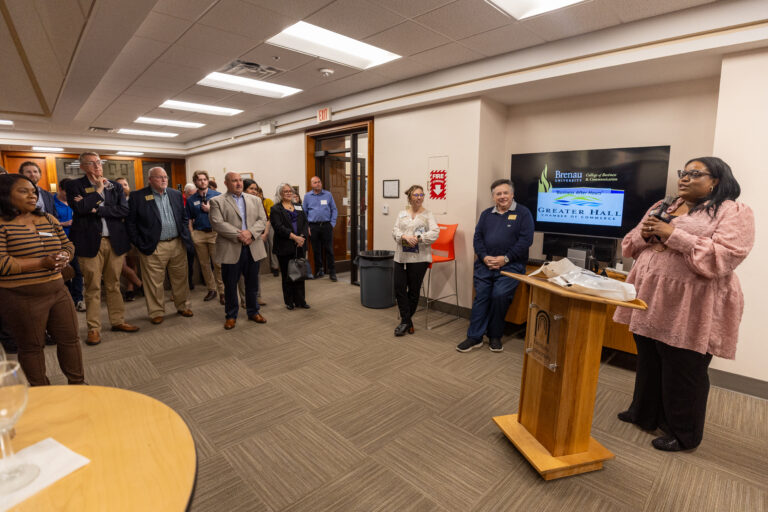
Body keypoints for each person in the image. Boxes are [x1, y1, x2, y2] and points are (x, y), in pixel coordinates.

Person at [613, 157, 754, 452]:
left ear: (715, 180)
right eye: (683, 173)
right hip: (649, 296)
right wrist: (645, 234)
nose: (685, 178)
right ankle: (644, 413)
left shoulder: (733, 211)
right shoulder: (661, 206)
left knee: (683, 368)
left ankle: (683, 433)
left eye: (695, 173)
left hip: (693, 305)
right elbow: (628, 244)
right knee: (649, 359)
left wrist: (673, 235)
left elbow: (726, 256)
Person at [0, 174, 85, 385]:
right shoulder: (2, 225)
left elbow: (68, 245)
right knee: (31, 346)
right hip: (21, 296)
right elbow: (2, 263)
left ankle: (78, 385)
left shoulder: (48, 218)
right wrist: (41, 263)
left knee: (70, 340)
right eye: (23, 191)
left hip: (58, 291)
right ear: (4, 195)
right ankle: (42, 393)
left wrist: (65, 256)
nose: (32, 195)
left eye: (34, 192)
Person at [65, 152, 138, 345]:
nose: (97, 166)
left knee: (114, 284)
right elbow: (80, 210)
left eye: (99, 162)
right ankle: (93, 328)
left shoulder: (114, 186)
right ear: (82, 167)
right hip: (89, 243)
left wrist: (96, 209)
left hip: (114, 241)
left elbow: (124, 210)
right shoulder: (74, 185)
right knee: (93, 286)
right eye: (92, 163)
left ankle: (118, 321)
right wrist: (98, 191)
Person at [456, 179, 534, 353]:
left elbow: (526, 241)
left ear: (512, 194)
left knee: (499, 295)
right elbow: (478, 238)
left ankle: (494, 335)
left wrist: (505, 259)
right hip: (486, 264)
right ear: (493, 197)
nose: (502, 196)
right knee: (481, 296)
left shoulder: (523, 213)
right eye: (498, 194)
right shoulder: (486, 214)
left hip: (511, 266)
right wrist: (484, 258)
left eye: (505, 193)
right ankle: (474, 337)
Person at [126, 167, 194, 324]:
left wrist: (185, 234)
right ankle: (156, 311)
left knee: (180, 279)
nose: (164, 180)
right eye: (159, 177)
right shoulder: (138, 196)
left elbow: (183, 217)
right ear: (150, 180)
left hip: (177, 243)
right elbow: (130, 223)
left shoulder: (175, 194)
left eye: (165, 177)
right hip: (154, 245)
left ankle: (183, 306)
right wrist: (139, 243)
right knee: (154, 282)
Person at [209, 172, 267, 330]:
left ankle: (253, 311)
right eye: (234, 181)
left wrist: (251, 233)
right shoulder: (216, 201)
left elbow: (262, 220)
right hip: (231, 248)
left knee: (252, 283)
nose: (238, 183)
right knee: (230, 284)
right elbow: (217, 223)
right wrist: (241, 235)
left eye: (240, 180)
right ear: (226, 183)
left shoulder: (255, 199)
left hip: (252, 247)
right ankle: (231, 316)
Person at [392, 185, 440, 336]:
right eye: (416, 195)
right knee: (399, 288)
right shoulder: (402, 214)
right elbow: (395, 231)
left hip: (420, 258)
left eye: (421, 195)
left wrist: (418, 238)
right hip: (401, 257)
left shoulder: (428, 215)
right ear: (410, 197)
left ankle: (404, 322)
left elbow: (435, 233)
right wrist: (404, 237)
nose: (419, 197)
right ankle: (407, 321)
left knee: (413, 291)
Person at [271, 183, 311, 310]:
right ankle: (289, 301)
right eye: (285, 191)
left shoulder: (299, 206)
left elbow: (305, 223)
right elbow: (278, 227)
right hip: (285, 245)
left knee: (300, 273)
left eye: (290, 191)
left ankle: (301, 300)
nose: (288, 193)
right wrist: (295, 237)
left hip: (299, 245)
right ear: (280, 193)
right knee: (287, 275)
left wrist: (302, 237)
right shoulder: (276, 209)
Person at [187, 170, 224, 304]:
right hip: (199, 234)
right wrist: (192, 234)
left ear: (207, 181)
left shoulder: (218, 196)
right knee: (204, 264)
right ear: (195, 182)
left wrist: (210, 210)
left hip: (214, 233)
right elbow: (189, 218)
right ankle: (211, 289)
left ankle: (222, 291)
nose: (202, 182)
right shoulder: (191, 199)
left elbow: (224, 216)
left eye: (204, 179)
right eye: (199, 180)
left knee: (218, 264)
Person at [54, 178, 85, 312]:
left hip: (76, 241)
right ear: (60, 189)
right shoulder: (52, 202)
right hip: (59, 243)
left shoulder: (76, 200)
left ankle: (77, 299)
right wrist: (63, 224)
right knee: (64, 272)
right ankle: (67, 298)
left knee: (78, 271)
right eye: (68, 192)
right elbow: (48, 222)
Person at [304, 176, 338, 281]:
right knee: (316, 250)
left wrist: (332, 223)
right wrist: (307, 227)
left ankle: (332, 272)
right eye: (315, 182)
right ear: (311, 185)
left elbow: (334, 209)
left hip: (326, 226)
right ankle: (319, 271)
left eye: (319, 182)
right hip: (313, 227)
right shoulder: (307, 196)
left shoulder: (328, 195)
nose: (317, 184)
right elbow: (304, 213)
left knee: (329, 250)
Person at [115, 177, 142, 301]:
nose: (124, 187)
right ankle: (141, 285)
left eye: (125, 184)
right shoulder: (113, 201)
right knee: (121, 266)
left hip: (132, 237)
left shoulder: (134, 199)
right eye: (120, 185)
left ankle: (130, 289)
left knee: (132, 264)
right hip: (117, 238)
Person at [243, 179, 267, 306]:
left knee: (255, 273)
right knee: (242, 276)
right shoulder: (238, 203)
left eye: (256, 189)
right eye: (251, 189)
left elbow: (263, 220)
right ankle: (244, 299)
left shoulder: (258, 202)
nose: (254, 192)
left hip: (255, 240)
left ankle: (257, 297)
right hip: (240, 242)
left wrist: (252, 234)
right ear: (244, 189)